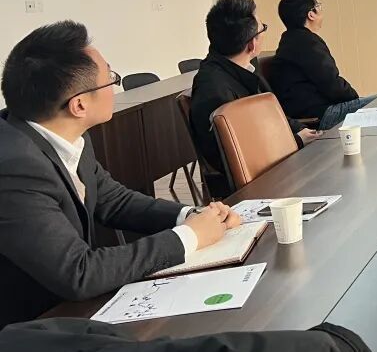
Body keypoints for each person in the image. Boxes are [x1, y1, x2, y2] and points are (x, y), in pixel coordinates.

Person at [0, 22, 240, 327]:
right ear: (79, 105)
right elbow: (79, 273)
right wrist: (189, 237)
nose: (114, 87)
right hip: (29, 327)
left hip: (66, 308)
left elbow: (113, 200)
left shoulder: (66, 135)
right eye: (110, 78)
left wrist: (192, 216)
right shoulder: (14, 167)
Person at [190, 0, 318, 198]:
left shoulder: (243, 69)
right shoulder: (214, 90)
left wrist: (300, 131)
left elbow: (275, 116)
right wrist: (297, 141)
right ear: (252, 44)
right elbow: (241, 156)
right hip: (261, 186)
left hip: (279, 166)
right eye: (263, 29)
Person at [268, 0, 377, 130]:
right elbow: (332, 83)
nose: (321, 11)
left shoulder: (290, 40)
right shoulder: (306, 42)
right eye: (318, 6)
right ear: (311, 14)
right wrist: (356, 100)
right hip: (321, 115)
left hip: (311, 112)